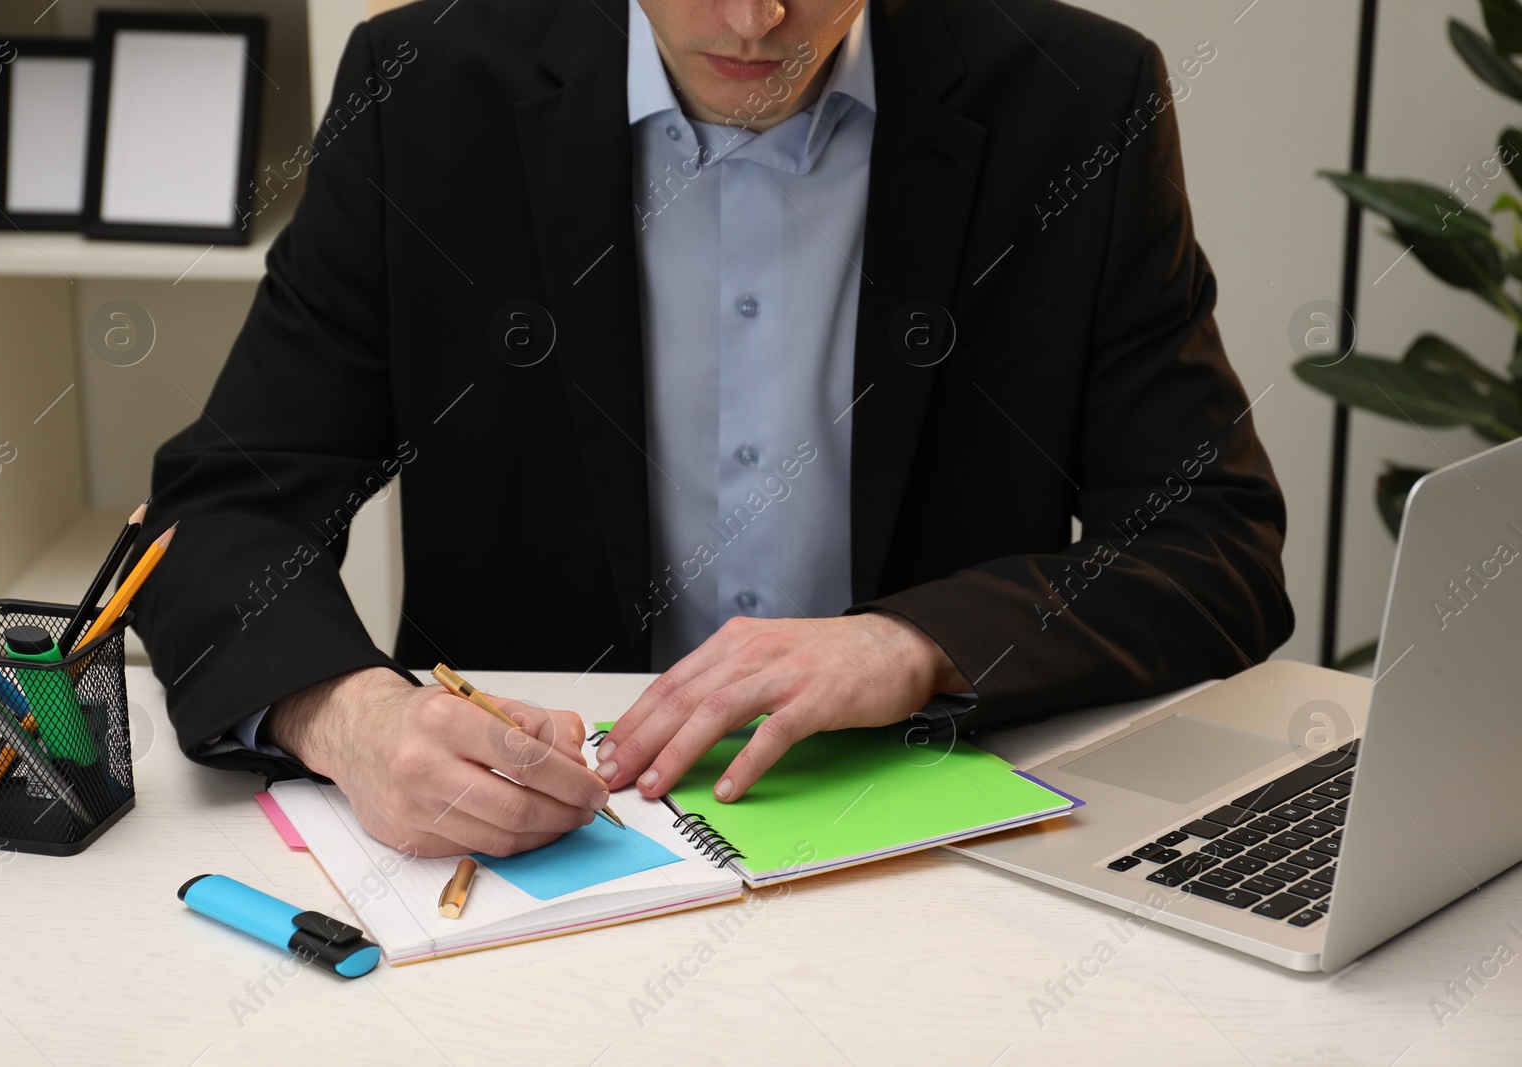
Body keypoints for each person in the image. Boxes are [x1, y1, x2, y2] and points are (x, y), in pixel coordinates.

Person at [131, 0, 1293, 858]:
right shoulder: (422, 85)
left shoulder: (1078, 98)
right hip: (540, 853)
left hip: (937, 852)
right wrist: (350, 717)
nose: (755, 21)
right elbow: (227, 504)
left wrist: (912, 643)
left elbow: (1211, 545)